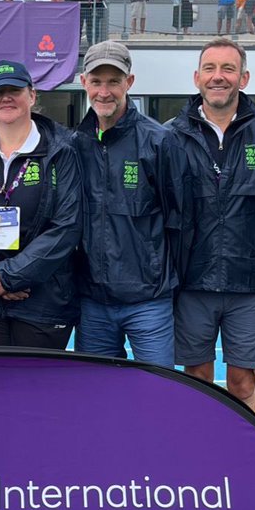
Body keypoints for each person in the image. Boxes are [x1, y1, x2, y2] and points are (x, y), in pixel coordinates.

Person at [171, 39, 255, 419]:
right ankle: (200, 462)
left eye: (228, 69)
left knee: (242, 382)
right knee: (197, 378)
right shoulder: (170, 136)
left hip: (249, 283)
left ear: (244, 77)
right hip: (191, 280)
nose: (218, 77)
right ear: (197, 77)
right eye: (210, 68)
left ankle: (248, 463)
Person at [0, 60, 82, 348]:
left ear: (32, 95)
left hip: (43, 298)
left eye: (15, 90)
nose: (6, 98)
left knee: (35, 389)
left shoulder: (62, 151)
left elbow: (66, 227)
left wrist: (10, 276)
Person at [74, 41, 179, 367]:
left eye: (114, 81)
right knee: (95, 397)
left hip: (149, 302)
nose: (104, 92)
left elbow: (180, 219)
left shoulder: (159, 141)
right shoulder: (73, 144)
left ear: (129, 83)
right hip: (92, 302)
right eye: (97, 81)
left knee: (160, 394)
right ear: (84, 83)